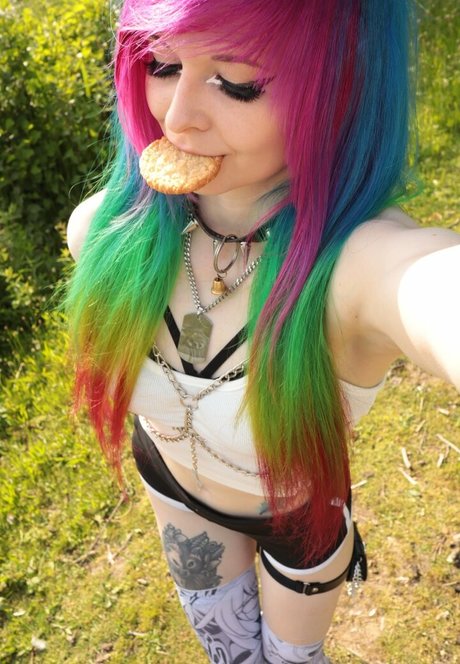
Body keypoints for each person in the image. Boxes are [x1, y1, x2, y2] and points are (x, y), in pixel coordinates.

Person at [65, 1, 460, 662]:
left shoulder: (353, 268)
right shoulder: (101, 236)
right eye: (162, 64)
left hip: (297, 522)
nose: (177, 117)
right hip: (174, 494)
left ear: (343, 82)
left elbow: (428, 285)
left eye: (238, 81)